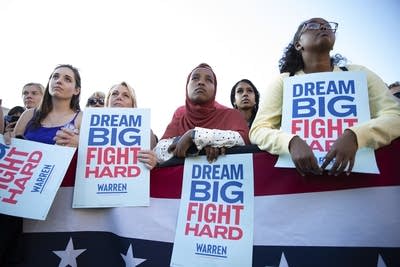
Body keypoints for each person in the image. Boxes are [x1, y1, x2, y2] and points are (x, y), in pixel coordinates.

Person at [250, 17, 400, 176]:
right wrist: (290, 142)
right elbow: (259, 130)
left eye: (328, 26)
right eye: (313, 26)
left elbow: (395, 116)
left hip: (358, 179)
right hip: (300, 180)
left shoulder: (359, 73)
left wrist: (356, 136)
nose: (323, 28)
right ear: (298, 44)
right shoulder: (284, 81)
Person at [154, 63, 250, 164]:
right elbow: (159, 151)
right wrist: (196, 146)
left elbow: (243, 139)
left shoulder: (231, 115)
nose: (201, 82)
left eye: (209, 80)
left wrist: (194, 135)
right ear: (187, 86)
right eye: (195, 78)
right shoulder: (180, 114)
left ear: (215, 89)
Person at [4, 64, 82, 147]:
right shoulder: (28, 114)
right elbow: (13, 145)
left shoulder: (82, 119)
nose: (59, 81)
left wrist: (81, 144)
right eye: (55, 77)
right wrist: (7, 138)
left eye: (67, 79)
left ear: (76, 90)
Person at [105, 81, 158, 169]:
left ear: (133, 105)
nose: (119, 97)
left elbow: (155, 165)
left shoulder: (145, 132)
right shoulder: (88, 127)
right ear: (107, 102)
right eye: (115, 94)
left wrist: (153, 162)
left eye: (125, 95)